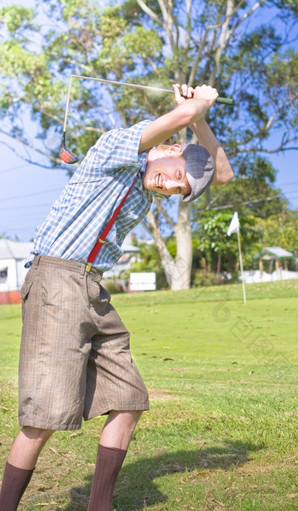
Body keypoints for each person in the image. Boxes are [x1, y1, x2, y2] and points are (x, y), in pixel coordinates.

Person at [0, 83, 233, 511]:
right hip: (56, 278)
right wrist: (199, 102)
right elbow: (176, 122)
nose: (168, 187)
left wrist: (199, 116)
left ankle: (99, 506)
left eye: (176, 191)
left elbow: (222, 174)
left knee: (128, 398)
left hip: (92, 287)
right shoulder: (115, 148)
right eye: (176, 175)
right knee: (44, 416)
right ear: (171, 148)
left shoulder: (147, 187)